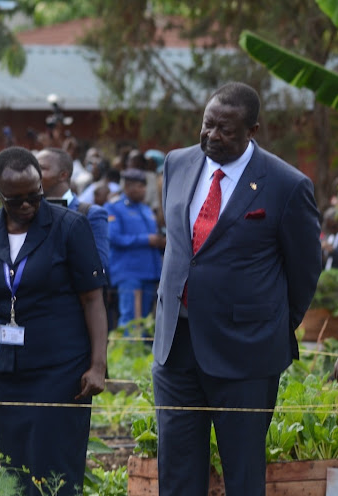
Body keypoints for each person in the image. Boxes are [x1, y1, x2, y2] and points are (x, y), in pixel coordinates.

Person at [154, 82, 322, 496]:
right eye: (207, 125)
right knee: (176, 471)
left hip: (245, 352)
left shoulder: (286, 184)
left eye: (225, 130)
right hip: (176, 345)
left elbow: (305, 268)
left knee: (243, 474)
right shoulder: (177, 163)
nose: (212, 136)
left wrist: (275, 323)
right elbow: (182, 246)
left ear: (253, 130)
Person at [0, 147, 107, 496]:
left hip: (61, 370)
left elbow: (93, 299)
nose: (27, 205)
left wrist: (98, 365)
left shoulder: (70, 227)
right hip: (6, 372)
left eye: (35, 195)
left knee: (55, 469)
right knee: (14, 468)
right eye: (16, 199)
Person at [105, 169, 164, 329]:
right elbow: (114, 237)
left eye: (144, 186)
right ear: (128, 187)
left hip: (149, 272)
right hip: (129, 272)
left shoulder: (145, 209)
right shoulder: (114, 208)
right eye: (139, 186)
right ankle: (127, 354)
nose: (143, 190)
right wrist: (147, 239)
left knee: (145, 323)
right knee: (130, 320)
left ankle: (141, 354)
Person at [37, 147, 110, 273]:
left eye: (42, 169)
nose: (34, 174)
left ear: (63, 175)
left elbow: (99, 265)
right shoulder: (31, 212)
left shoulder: (91, 214)